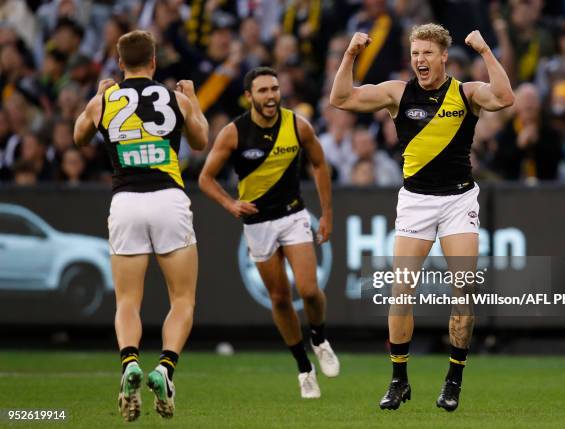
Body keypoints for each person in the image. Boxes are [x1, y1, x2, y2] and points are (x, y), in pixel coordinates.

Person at [330, 24, 514, 411]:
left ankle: (453, 381)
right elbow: (341, 98)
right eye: (415, 53)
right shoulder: (399, 92)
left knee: (464, 290)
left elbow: (504, 96)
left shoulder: (464, 93)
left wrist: (484, 51)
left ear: (444, 56)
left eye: (427, 53)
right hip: (415, 201)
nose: (420, 60)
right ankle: (399, 381)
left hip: (458, 201)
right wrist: (350, 54)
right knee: (400, 293)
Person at [73, 30, 209, 422]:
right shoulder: (175, 98)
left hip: (126, 201)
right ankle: (165, 369)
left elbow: (79, 137)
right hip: (169, 199)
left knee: (128, 300)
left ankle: (129, 361)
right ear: (154, 62)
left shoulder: (105, 100)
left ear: (119, 63)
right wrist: (194, 101)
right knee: (182, 299)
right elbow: (199, 140)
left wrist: (97, 98)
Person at [199, 66, 339, 399]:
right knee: (278, 297)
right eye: (263, 90)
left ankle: (319, 338)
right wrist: (230, 204)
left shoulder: (297, 125)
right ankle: (304, 368)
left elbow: (319, 165)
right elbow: (206, 178)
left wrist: (327, 214)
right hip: (257, 222)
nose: (271, 96)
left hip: (292, 214)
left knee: (308, 289)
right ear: (249, 96)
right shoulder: (234, 133)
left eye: (274, 89)